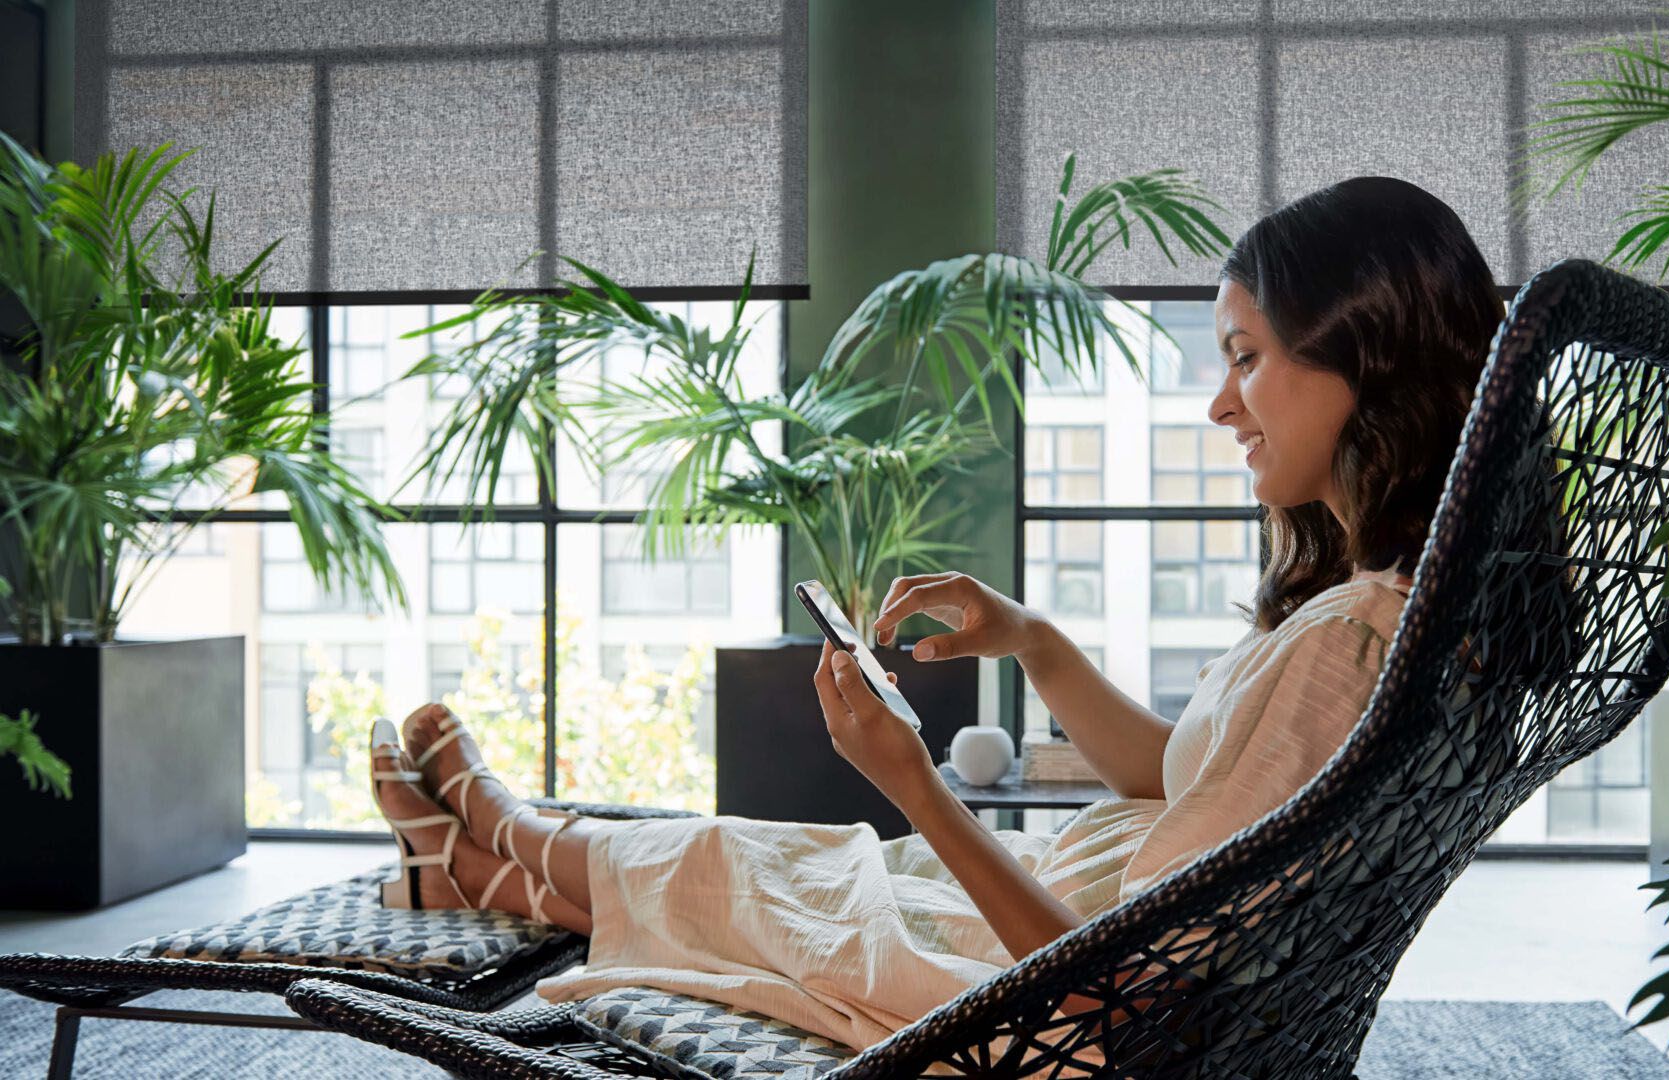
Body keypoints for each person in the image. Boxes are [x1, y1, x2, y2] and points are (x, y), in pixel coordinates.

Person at [367, 174, 1507, 1054]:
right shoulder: (1381, 622)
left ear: (1365, 359)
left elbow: (1117, 981)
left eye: (1246, 359)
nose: (1220, 404)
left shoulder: (1352, 646)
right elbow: (1184, 786)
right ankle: (473, 868)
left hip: (1027, 988)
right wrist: (1035, 642)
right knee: (778, 858)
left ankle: (496, 836)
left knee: (735, 863)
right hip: (1060, 904)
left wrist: (917, 783)